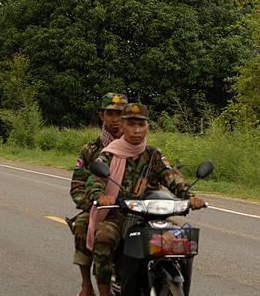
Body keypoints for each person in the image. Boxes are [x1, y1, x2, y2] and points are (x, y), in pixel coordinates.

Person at [84, 103, 205, 296]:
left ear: (148, 127)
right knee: (104, 238)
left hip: (151, 215)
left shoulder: (153, 155)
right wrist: (100, 196)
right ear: (122, 127)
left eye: (141, 125)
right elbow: (95, 180)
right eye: (131, 124)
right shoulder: (109, 153)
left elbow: (171, 176)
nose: (137, 130)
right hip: (119, 213)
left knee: (183, 239)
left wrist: (190, 196)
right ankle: (105, 292)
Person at [68, 93, 127, 296]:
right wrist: (93, 204)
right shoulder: (91, 150)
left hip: (135, 209)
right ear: (102, 115)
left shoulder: (140, 147)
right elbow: (77, 186)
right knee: (83, 226)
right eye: (110, 113)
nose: (116, 118)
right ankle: (86, 284)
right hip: (100, 209)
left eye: (120, 113)